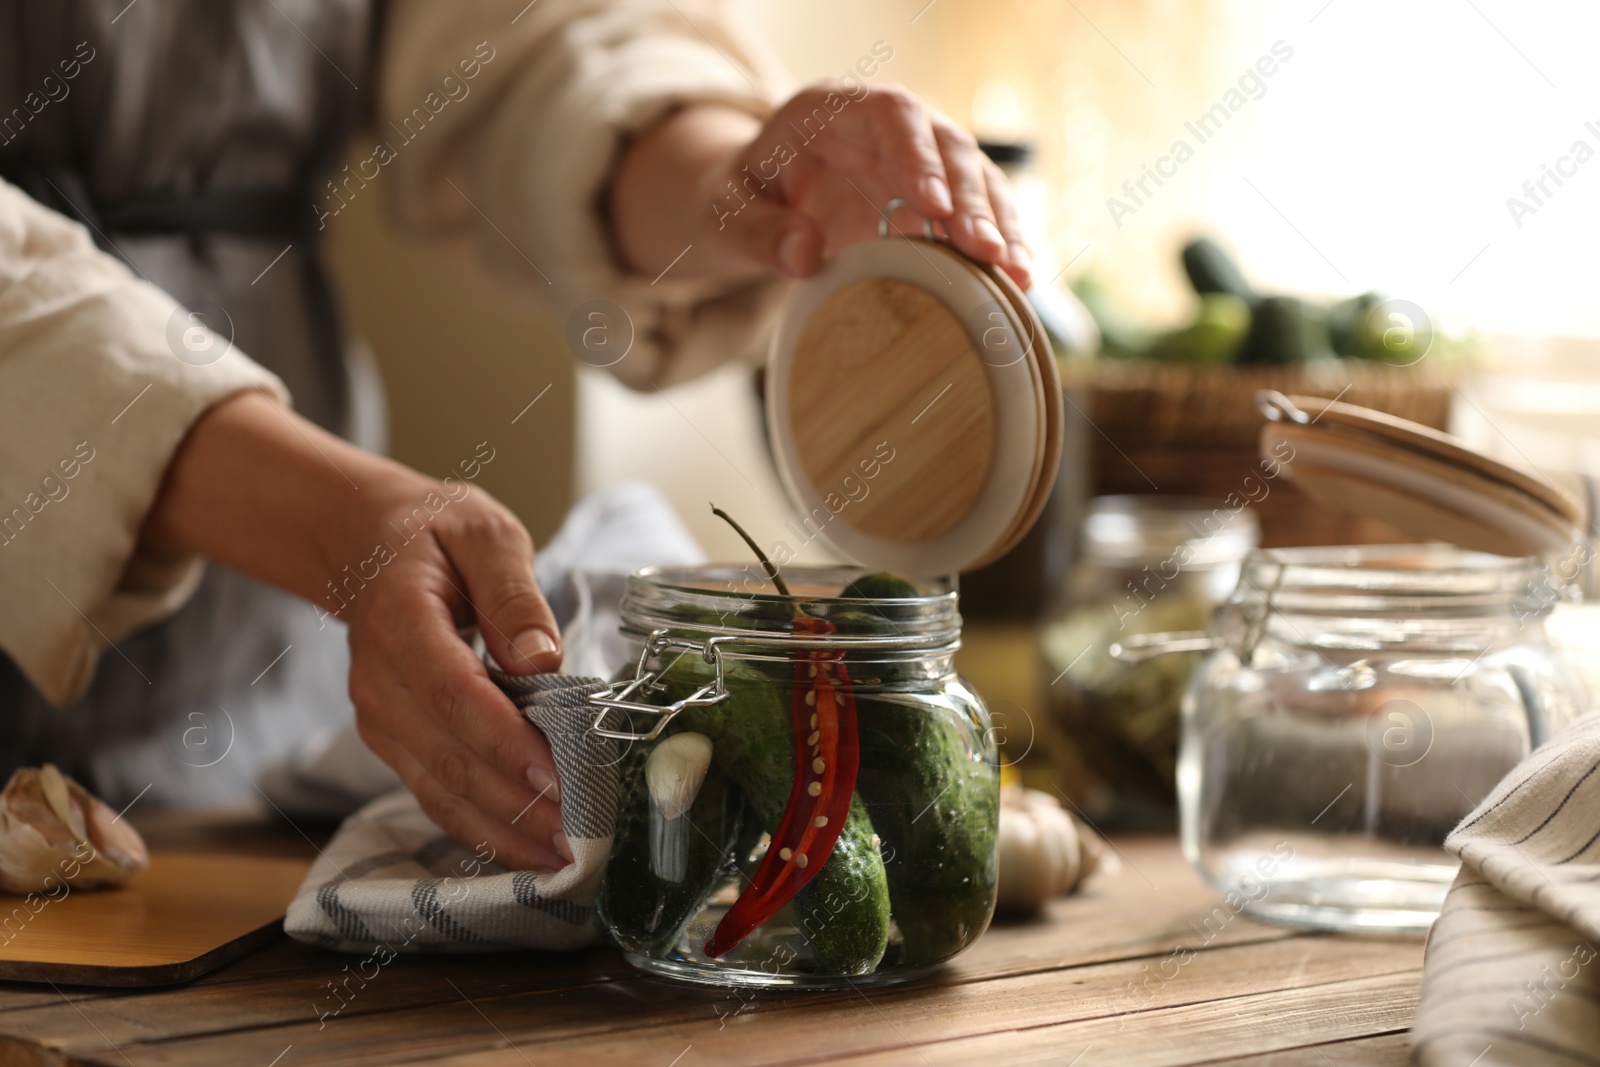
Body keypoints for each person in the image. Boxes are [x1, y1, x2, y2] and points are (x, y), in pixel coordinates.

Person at [0, 0, 1031, 874]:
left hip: (247, 693)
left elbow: (511, 35)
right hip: (286, 522)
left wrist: (718, 175)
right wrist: (325, 519)